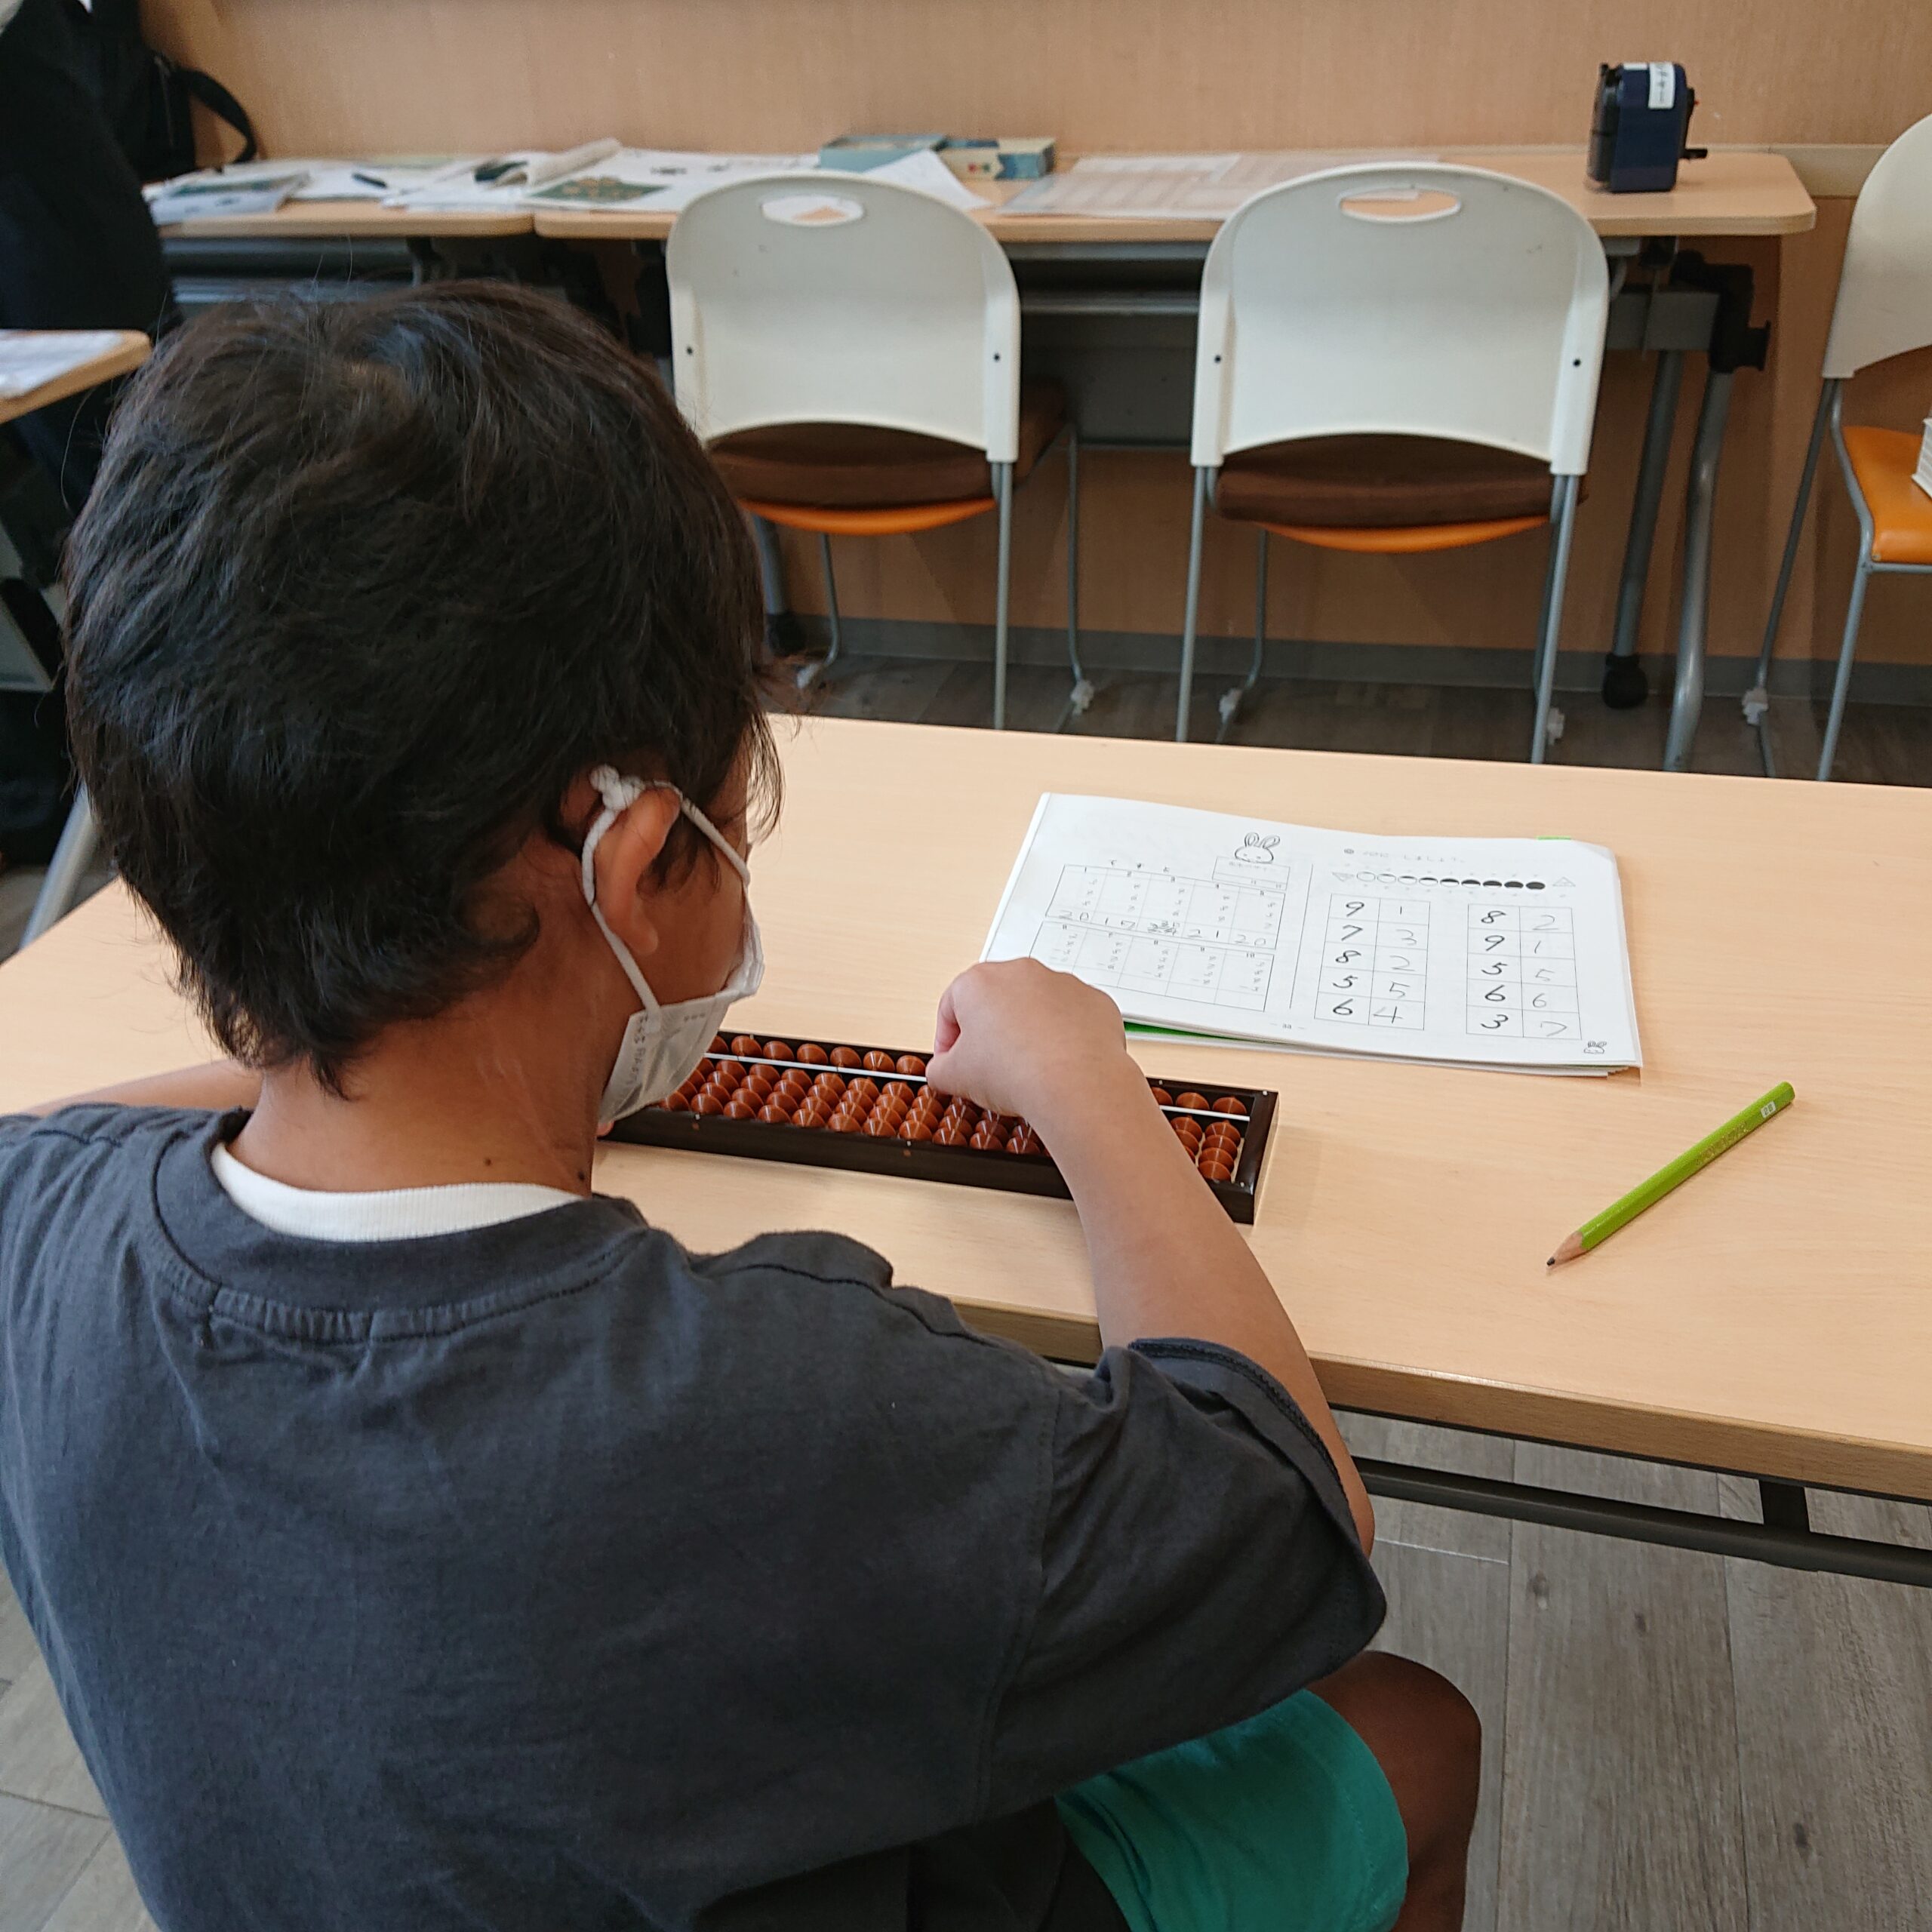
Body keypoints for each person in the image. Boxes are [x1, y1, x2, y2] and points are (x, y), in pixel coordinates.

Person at [0, 283, 1478, 1931]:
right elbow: (1285, 1511)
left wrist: (361, 1031)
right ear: (634, 867)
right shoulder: (783, 1406)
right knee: (1416, 1734)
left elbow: (74, 1135)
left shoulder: (34, 1233)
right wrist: (1089, 1083)